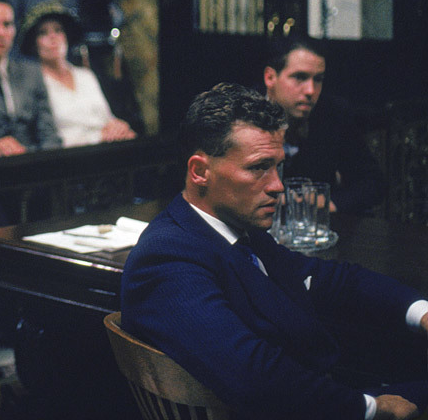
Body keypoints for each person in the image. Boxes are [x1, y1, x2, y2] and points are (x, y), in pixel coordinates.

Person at [122, 83, 428, 420]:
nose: (277, 185)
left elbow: (330, 279)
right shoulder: (168, 258)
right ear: (200, 171)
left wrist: (419, 310)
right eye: (258, 167)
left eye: (278, 167)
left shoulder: (238, 233)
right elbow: (253, 376)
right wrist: (371, 408)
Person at [263, 36, 385, 213]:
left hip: (312, 229)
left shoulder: (334, 113)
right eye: (300, 77)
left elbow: (373, 183)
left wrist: (328, 203)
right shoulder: (242, 112)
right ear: (270, 77)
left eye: (318, 79)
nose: (311, 90)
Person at [21, 1, 136, 146]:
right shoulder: (35, 84)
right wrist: (97, 137)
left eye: (58, 30)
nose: (53, 38)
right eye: (43, 33)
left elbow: (108, 118)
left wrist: (119, 127)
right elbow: (45, 139)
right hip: (71, 157)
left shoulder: (86, 75)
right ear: (34, 43)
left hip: (108, 146)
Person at [0, 0, 60, 156]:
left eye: (7, 25)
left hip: (31, 166)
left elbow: (50, 136)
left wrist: (29, 155)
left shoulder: (31, 73)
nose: (1, 33)